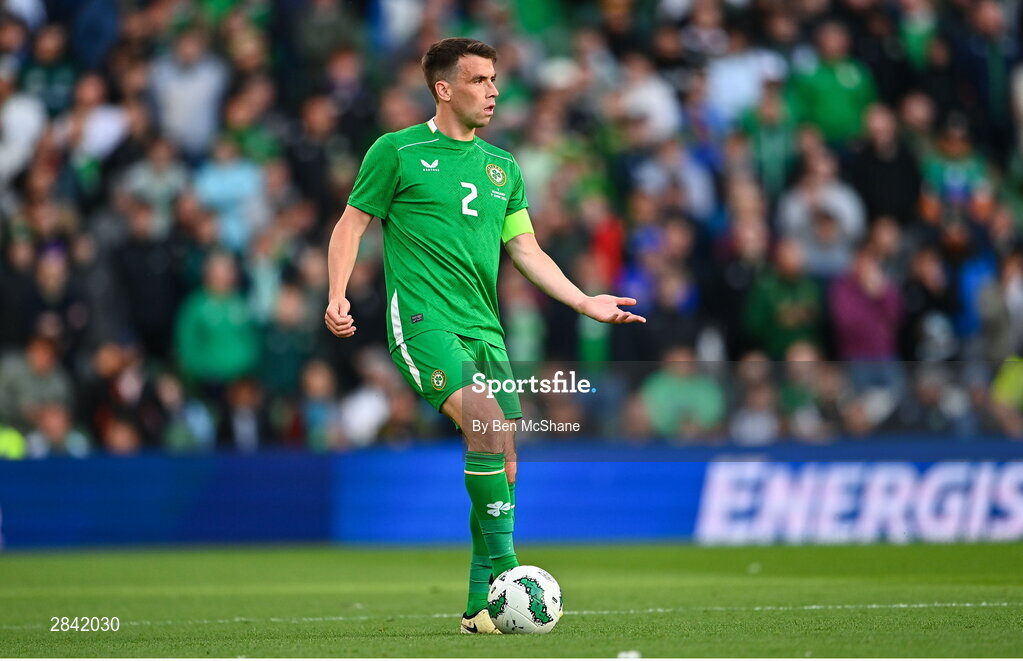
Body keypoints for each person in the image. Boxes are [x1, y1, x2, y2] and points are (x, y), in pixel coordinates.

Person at [323, 38, 645, 635]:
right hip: (423, 321)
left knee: (505, 458)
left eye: (495, 79)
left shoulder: (504, 168)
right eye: (479, 80)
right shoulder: (397, 151)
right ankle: (510, 573)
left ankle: (478, 607)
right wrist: (338, 292)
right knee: (489, 426)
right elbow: (351, 224)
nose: (494, 91)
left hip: (486, 331)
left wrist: (582, 301)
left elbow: (526, 249)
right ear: (444, 89)